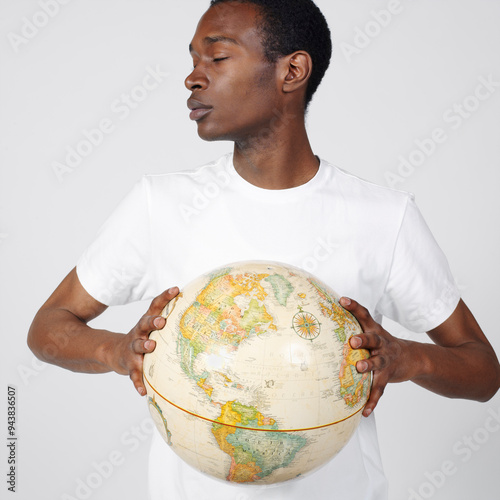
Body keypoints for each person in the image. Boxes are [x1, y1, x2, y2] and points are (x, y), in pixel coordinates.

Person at [28, 0, 500, 499]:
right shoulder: (159, 205)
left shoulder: (384, 216)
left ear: (292, 70)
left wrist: (407, 359)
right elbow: (47, 328)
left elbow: (483, 372)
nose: (192, 78)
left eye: (217, 58)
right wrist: (117, 351)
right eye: (192, 60)